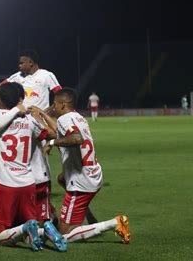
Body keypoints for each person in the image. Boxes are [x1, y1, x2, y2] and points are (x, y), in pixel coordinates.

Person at [0, 83, 66, 252]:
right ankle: (42, 231)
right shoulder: (29, 119)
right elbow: (51, 135)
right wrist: (39, 117)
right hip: (27, 182)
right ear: (19, 99)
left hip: (4, 184)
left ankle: (25, 229)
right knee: (31, 229)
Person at [0, 49, 61, 228]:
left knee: (34, 158)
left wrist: (44, 114)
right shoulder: (17, 76)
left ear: (31, 62)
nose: (19, 65)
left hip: (36, 122)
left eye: (22, 62)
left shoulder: (46, 75)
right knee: (24, 160)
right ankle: (40, 211)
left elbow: (59, 97)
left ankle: (42, 208)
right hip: (20, 119)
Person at [40, 88, 130, 243]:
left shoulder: (65, 120)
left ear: (62, 105)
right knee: (62, 178)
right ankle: (89, 217)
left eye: (55, 104)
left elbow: (76, 138)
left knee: (64, 236)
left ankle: (114, 223)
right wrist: (43, 115)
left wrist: (51, 142)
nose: (53, 107)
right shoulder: (78, 117)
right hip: (92, 173)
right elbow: (59, 131)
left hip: (81, 183)